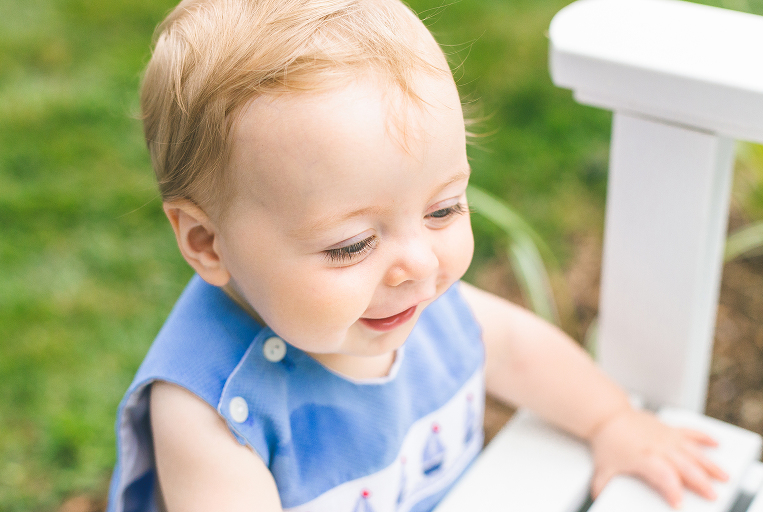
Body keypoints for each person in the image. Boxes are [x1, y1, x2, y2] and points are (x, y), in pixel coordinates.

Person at [107, 0, 728, 510]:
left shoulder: (412, 298)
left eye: (443, 209)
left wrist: (611, 422)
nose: (421, 266)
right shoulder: (213, 417)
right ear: (205, 242)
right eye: (352, 244)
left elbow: (515, 348)